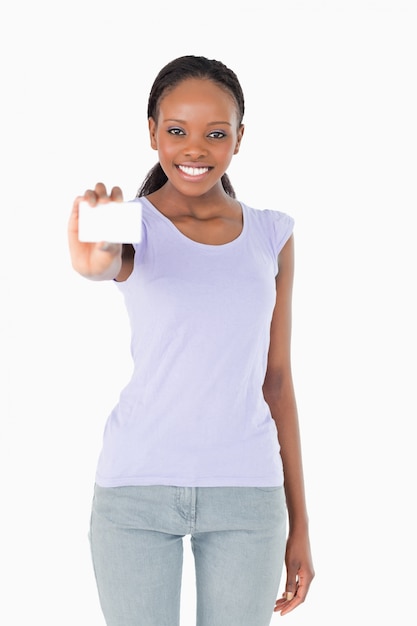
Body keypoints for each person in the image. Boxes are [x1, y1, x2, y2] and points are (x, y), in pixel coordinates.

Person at [68, 55, 314, 626]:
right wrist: (92, 257)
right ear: (152, 131)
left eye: (215, 133)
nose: (194, 148)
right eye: (176, 131)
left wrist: (299, 523)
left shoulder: (272, 235)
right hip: (135, 495)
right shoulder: (128, 222)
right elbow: (101, 262)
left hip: (247, 499)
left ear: (239, 138)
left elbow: (277, 380)